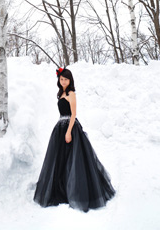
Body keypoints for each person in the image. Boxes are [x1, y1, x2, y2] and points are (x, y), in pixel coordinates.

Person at [33, 66, 116, 212]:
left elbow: (73, 114)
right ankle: (62, 190)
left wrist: (69, 132)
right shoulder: (61, 93)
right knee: (60, 160)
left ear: (70, 80)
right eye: (61, 79)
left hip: (70, 128)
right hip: (60, 128)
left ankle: (78, 192)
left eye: (66, 79)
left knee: (75, 160)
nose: (63, 81)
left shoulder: (71, 94)